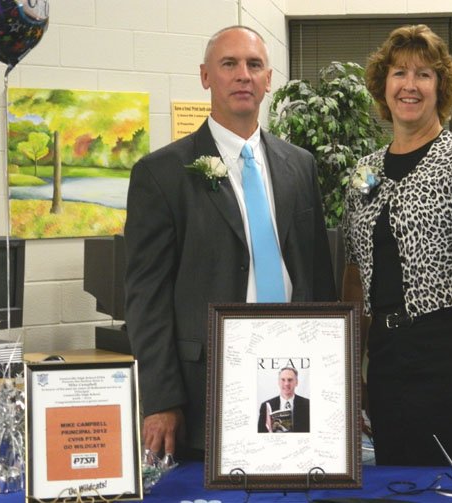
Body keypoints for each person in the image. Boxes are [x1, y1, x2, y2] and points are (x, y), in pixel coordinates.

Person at [124, 25, 336, 460]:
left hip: (295, 374)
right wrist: (161, 399)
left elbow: (318, 276)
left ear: (268, 79)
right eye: (229, 64)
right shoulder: (162, 174)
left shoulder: (300, 166)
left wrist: (334, 383)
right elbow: (146, 297)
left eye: (254, 65)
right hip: (205, 387)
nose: (243, 75)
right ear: (206, 76)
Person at [342, 24, 452, 467]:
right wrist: (349, 369)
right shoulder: (363, 172)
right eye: (400, 73)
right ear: (384, 85)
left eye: (424, 74)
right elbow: (356, 274)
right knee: (396, 481)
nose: (410, 85)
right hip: (386, 361)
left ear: (441, 87)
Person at [257, 367, 310, 433]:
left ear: (296, 382)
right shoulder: (266, 406)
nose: (286, 383)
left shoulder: (308, 405)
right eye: (283, 380)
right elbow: (261, 433)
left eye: (290, 380)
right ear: (278, 382)